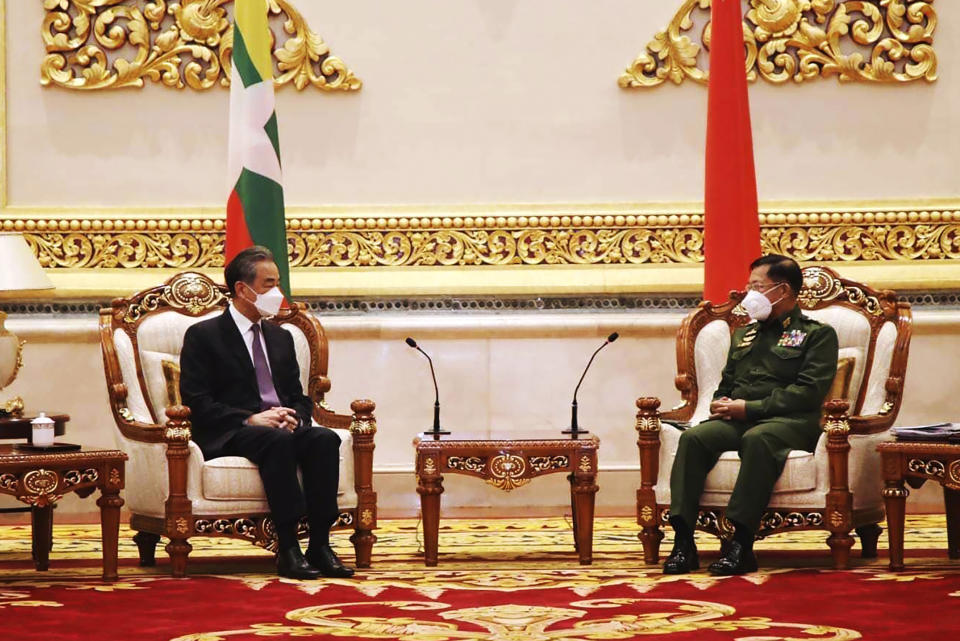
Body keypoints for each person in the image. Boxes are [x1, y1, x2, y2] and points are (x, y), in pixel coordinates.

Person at [179, 246, 354, 580]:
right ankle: (287, 546)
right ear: (243, 290)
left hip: (280, 427)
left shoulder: (280, 337)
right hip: (231, 430)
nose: (277, 294)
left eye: (278, 284)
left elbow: (298, 396)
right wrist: (249, 418)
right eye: (268, 285)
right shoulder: (204, 336)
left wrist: (296, 416)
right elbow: (197, 400)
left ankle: (320, 544)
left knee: (323, 439)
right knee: (275, 441)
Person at [663, 254, 839, 576]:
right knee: (694, 438)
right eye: (749, 286)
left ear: (782, 290)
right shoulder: (744, 334)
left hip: (791, 423)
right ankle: (683, 542)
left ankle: (740, 543)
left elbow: (808, 392)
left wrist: (751, 408)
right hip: (740, 417)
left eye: (757, 286)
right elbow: (727, 381)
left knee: (759, 439)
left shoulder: (817, 335)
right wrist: (721, 403)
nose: (749, 294)